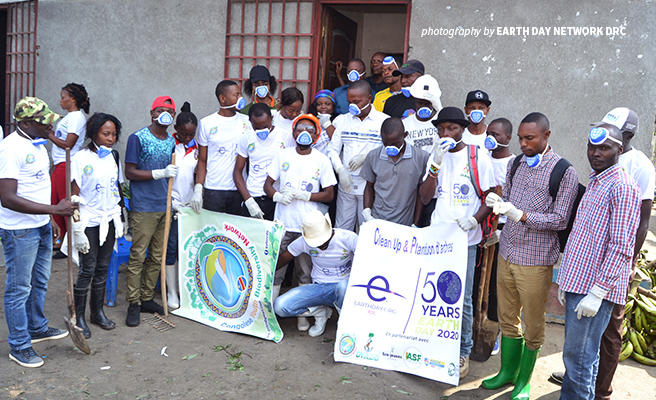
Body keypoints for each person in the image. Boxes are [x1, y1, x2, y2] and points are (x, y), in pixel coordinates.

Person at [550, 108, 654, 399]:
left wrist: (597, 291)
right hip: (578, 283)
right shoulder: (597, 181)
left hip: (594, 288)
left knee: (578, 361)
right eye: (592, 147)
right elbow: (584, 237)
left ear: (619, 149)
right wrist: (566, 279)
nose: (596, 153)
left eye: (604, 148)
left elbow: (622, 246)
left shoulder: (623, 187)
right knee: (582, 358)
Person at [482, 112, 579, 399]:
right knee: (506, 316)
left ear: (546, 136)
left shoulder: (564, 171)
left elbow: (561, 219)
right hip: (507, 252)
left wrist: (521, 215)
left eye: (530, 138)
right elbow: (508, 203)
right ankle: (506, 373)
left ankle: (523, 382)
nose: (523, 144)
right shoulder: (514, 164)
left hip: (535, 260)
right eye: (521, 138)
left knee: (533, 324)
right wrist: (499, 205)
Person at [0, 97, 78, 367]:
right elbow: (7, 198)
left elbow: (35, 186)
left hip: (41, 224)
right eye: (45, 122)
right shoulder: (10, 149)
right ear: (25, 123)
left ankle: (36, 326)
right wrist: (54, 208)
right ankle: (19, 345)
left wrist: (50, 217)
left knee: (40, 282)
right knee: (18, 289)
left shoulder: (37, 143)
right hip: (19, 231)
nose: (51, 126)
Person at [418, 106, 493, 379]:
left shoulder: (477, 157)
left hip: (465, 238)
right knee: (433, 293)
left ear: (462, 129)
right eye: (441, 129)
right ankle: (435, 344)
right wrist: (435, 165)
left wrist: (475, 219)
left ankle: (463, 351)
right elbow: (426, 197)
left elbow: (490, 196)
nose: (446, 133)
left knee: (461, 297)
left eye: (451, 128)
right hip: (439, 236)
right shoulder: (435, 156)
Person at [264, 114, 337, 331]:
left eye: (310, 129)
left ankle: (302, 316)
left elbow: (330, 194)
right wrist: (276, 196)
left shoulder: (321, 160)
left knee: (304, 272)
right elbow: (268, 184)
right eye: (300, 129)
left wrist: (307, 196)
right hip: (283, 224)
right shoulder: (282, 155)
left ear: (316, 134)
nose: (304, 133)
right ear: (293, 132)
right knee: (276, 270)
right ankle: (269, 315)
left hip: (308, 228)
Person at [67, 112, 125, 338]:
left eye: (114, 134)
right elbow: (74, 196)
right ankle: (79, 316)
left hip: (109, 219)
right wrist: (76, 228)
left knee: (103, 266)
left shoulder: (113, 156)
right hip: (89, 221)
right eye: (106, 133)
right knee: (87, 269)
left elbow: (117, 188)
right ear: (94, 133)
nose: (111, 138)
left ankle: (97, 312)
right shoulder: (81, 159)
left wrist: (121, 215)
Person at [123, 96, 178, 327]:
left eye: (169, 111)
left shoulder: (171, 141)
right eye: (161, 110)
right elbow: (130, 172)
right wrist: (158, 173)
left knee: (157, 256)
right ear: (152, 113)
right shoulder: (138, 138)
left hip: (164, 205)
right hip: (144, 207)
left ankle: (147, 298)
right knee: (138, 255)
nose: (165, 114)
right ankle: (133, 303)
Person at [274, 210, 357, 337]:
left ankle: (345, 323)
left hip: (344, 288)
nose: (320, 245)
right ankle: (320, 312)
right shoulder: (304, 241)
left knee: (343, 287)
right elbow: (283, 259)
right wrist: (274, 240)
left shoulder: (348, 238)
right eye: (316, 242)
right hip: (318, 287)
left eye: (323, 241)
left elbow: (367, 261)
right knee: (280, 306)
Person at [328, 79, 389, 231]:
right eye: (350, 102)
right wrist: (340, 169)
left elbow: (390, 150)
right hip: (346, 185)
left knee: (367, 229)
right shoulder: (343, 120)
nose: (352, 106)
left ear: (369, 98)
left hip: (370, 187)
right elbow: (332, 150)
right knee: (342, 228)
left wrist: (367, 157)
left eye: (357, 101)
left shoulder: (383, 121)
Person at [192, 80, 251, 215]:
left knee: (234, 233)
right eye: (236, 95)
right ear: (223, 98)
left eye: (240, 94)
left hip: (238, 190)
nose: (240, 98)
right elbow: (202, 160)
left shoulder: (247, 121)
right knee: (214, 233)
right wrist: (198, 188)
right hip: (214, 189)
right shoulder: (207, 123)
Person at [360, 117, 430, 226]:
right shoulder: (373, 156)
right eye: (386, 143)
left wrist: (415, 224)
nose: (390, 147)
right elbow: (369, 186)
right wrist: (367, 213)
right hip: (377, 220)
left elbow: (421, 194)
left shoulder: (421, 157)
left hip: (405, 224)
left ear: (405, 135)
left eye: (396, 143)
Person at [49, 83, 90, 258]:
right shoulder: (69, 117)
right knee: (55, 201)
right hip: (60, 164)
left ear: (72, 99)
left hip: (68, 164)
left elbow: (68, 144)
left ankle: (67, 243)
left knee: (63, 202)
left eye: (63, 96)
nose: (60, 100)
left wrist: (48, 134)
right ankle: (60, 241)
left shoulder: (77, 118)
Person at [165, 102, 199, 309]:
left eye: (191, 134)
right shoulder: (169, 145)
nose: (187, 138)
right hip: (172, 205)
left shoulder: (197, 148)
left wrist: (198, 192)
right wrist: (169, 203)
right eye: (184, 134)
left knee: (190, 248)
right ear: (176, 130)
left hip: (191, 206)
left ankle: (186, 289)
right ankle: (171, 292)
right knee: (171, 247)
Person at [403, 74, 443, 226]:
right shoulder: (406, 124)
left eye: (428, 103)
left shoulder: (441, 123)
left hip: (433, 188)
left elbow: (455, 132)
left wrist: (439, 107)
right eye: (420, 103)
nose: (423, 107)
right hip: (411, 185)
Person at [234, 103, 286, 221]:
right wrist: (248, 200)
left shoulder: (284, 136)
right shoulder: (246, 138)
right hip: (254, 196)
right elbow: (237, 172)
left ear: (271, 119)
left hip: (276, 198)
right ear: (250, 122)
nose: (261, 130)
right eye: (257, 127)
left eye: (265, 126)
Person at [307, 89, 337, 156]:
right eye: (319, 104)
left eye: (328, 104)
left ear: (333, 105)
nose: (323, 107)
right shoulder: (309, 120)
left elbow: (337, 141)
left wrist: (327, 125)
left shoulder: (338, 120)